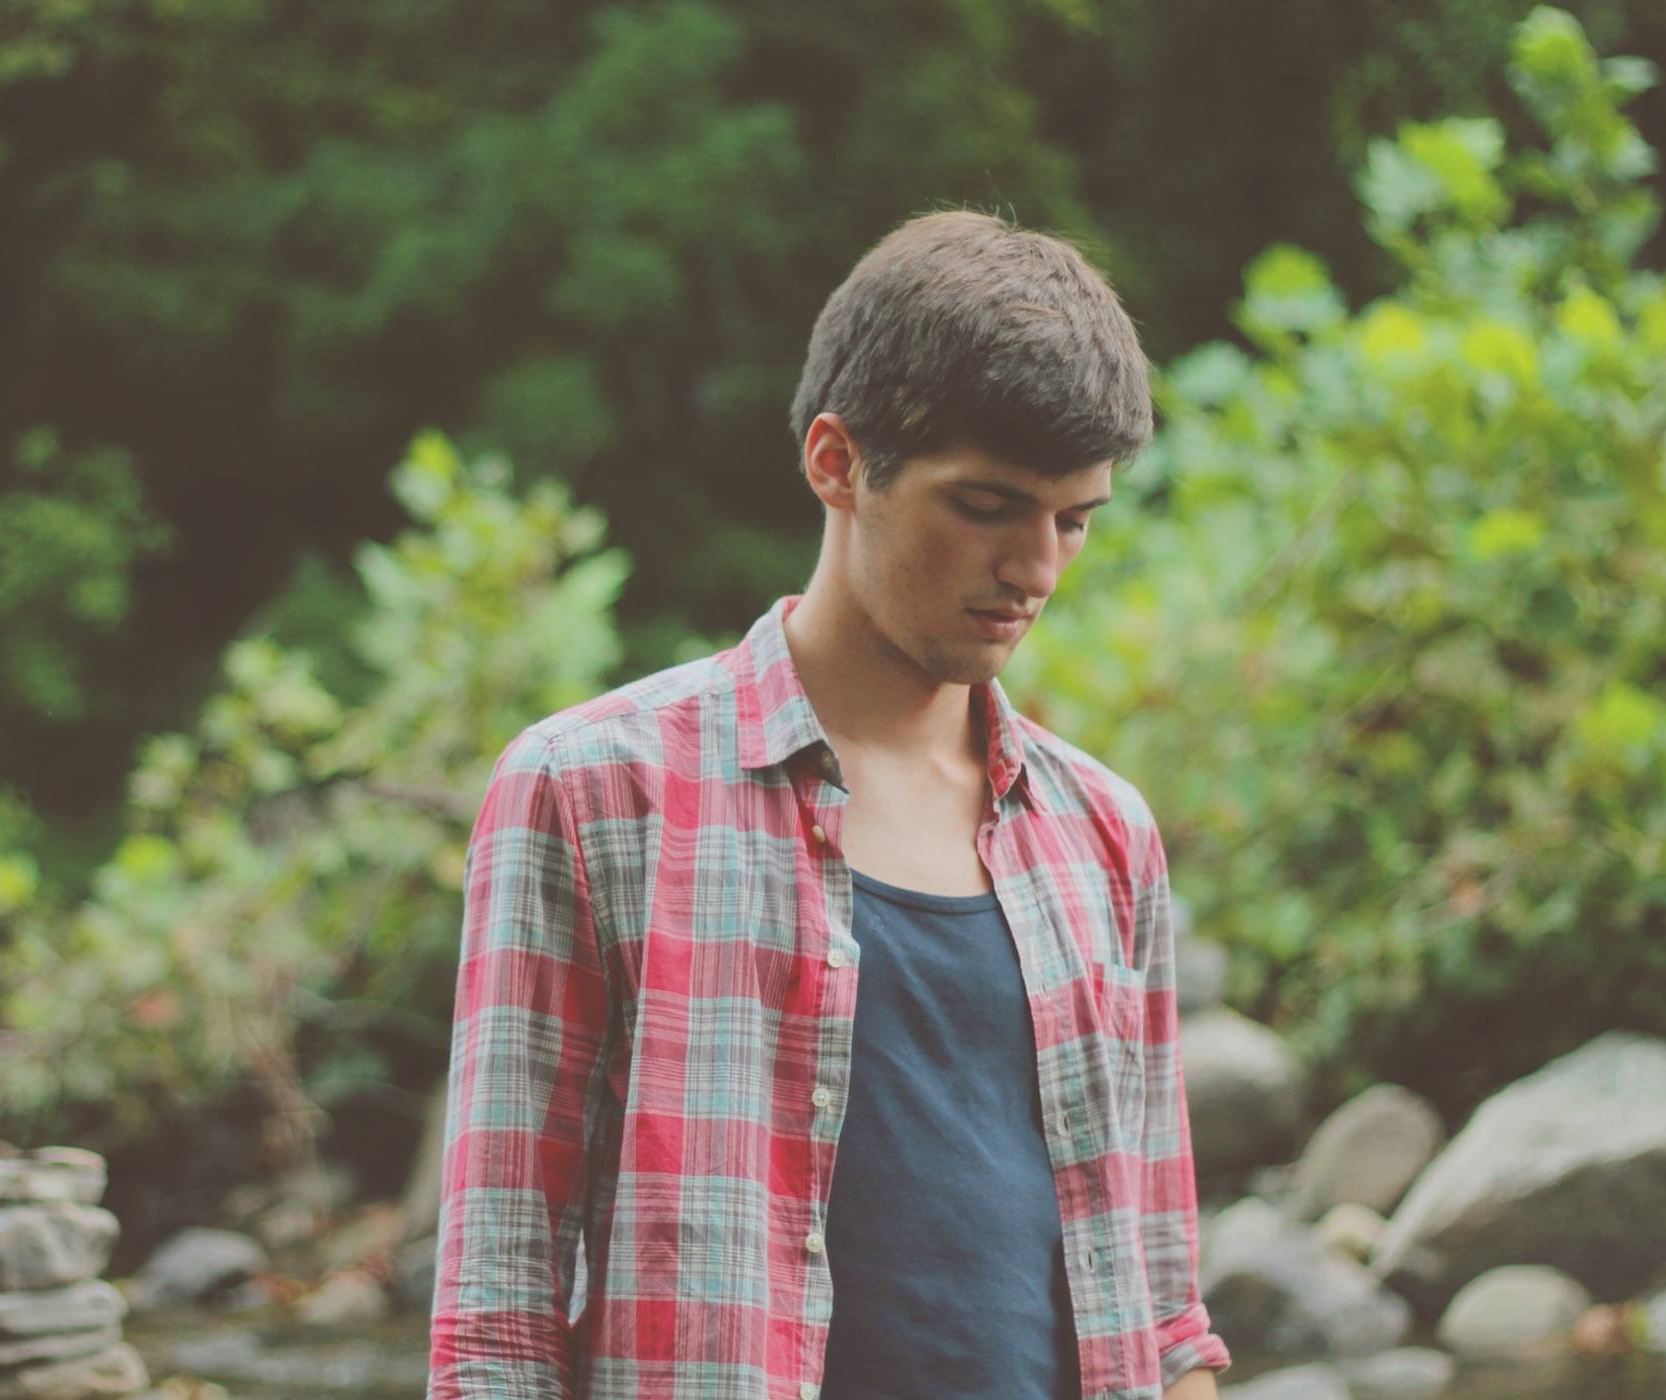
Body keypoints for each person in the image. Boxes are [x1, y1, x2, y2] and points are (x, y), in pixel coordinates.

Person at [427, 208, 1231, 1400]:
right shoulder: (592, 790)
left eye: (1073, 519)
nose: (1037, 569)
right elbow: (496, 1322)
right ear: (836, 461)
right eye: (987, 505)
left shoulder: (1105, 834)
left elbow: (1161, 1311)